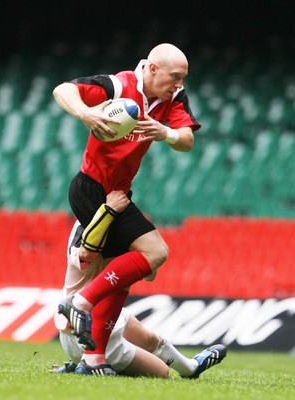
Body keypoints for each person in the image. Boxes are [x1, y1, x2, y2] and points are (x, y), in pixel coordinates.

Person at [53, 43, 204, 374]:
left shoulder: (173, 98)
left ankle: (94, 359)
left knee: (131, 269)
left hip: (118, 193)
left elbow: (187, 140)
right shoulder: (119, 86)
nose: (179, 84)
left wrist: (164, 133)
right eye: (175, 77)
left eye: (183, 78)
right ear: (152, 69)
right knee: (155, 253)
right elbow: (62, 90)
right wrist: (85, 112)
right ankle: (80, 304)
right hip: (93, 189)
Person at [53, 191, 227, 378]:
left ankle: (190, 368)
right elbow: (85, 255)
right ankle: (89, 364)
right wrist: (110, 212)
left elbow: (150, 275)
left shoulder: (121, 230)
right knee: (162, 372)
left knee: (150, 339)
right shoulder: (83, 226)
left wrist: (144, 248)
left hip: (105, 313)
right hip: (80, 327)